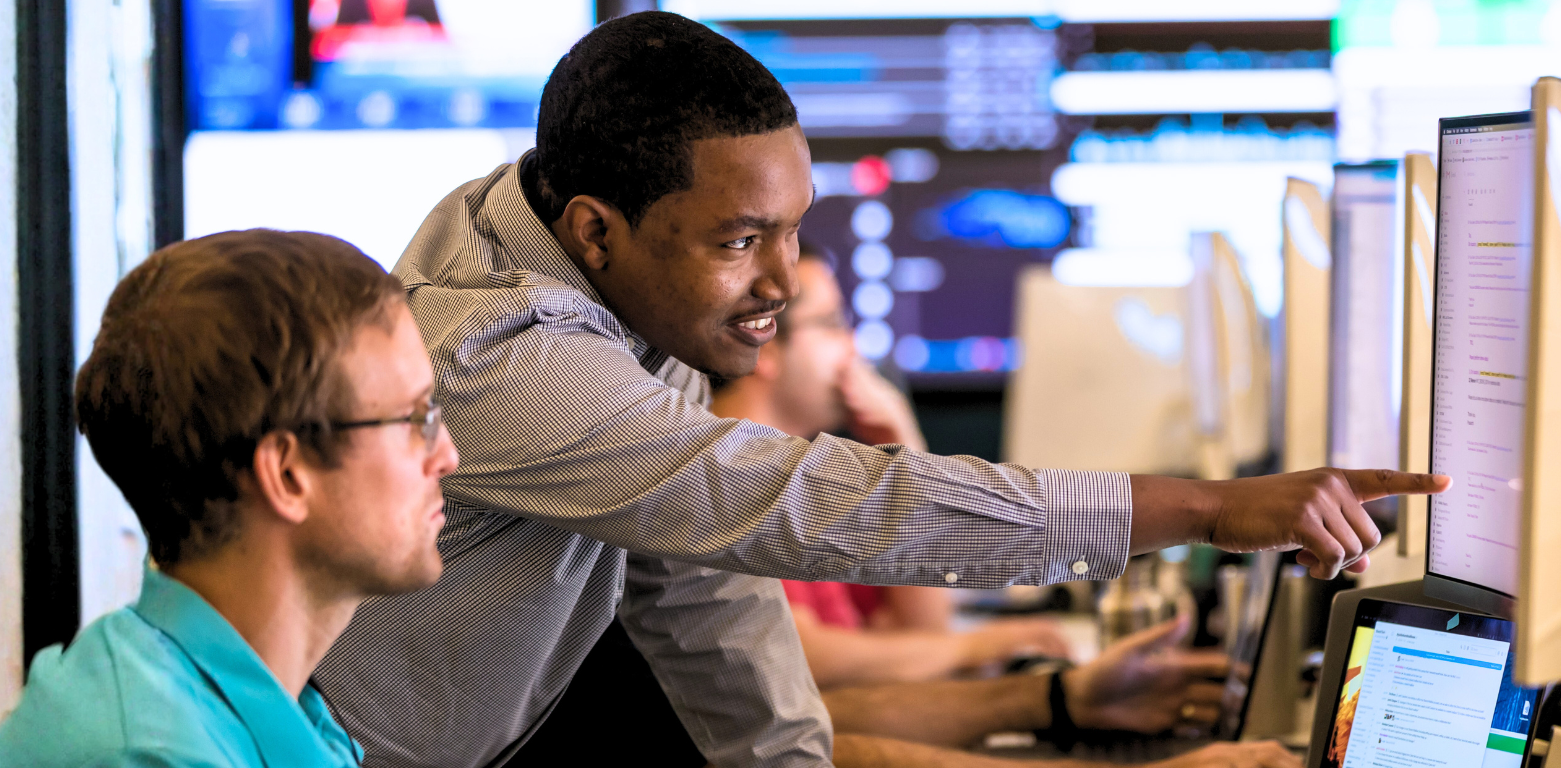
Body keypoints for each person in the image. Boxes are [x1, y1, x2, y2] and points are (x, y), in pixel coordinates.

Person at [314, 12, 1448, 768]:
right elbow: (812, 506)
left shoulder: (581, 241)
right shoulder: (502, 350)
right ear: (597, 233)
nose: (785, 281)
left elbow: (707, 594)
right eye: (741, 239)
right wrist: (1203, 510)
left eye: (795, 228)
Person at [704, 249, 1300, 767]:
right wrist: (981, 652)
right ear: (763, 336)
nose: (854, 347)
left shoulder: (808, 471)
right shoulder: (722, 482)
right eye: (831, 325)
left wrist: (1062, 700)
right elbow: (798, 671)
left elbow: (899, 647)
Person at [0, 230, 460, 767]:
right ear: (289, 474)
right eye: (416, 418)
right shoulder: (153, 753)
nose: (448, 456)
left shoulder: (273, 706)